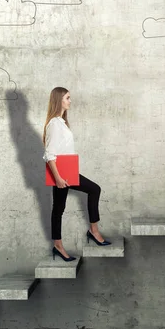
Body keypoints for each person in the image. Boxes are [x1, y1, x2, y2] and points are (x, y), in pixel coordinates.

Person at [43, 87, 110, 262]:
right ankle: (86, 234)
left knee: (60, 208)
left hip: (68, 172)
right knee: (63, 207)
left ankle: (89, 233)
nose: (70, 101)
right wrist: (57, 178)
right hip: (61, 174)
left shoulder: (62, 122)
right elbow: (49, 154)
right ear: (59, 100)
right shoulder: (54, 124)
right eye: (67, 98)